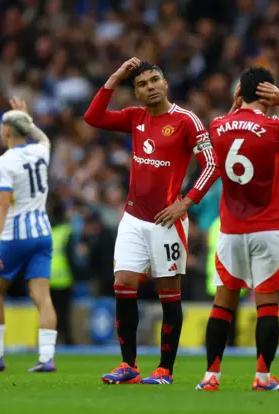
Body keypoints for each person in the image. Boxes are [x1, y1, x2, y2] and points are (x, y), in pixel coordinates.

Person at [84, 58, 220, 385]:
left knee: (168, 293)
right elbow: (93, 117)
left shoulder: (187, 121)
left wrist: (186, 203)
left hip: (166, 222)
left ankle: (165, 369)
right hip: (133, 217)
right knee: (124, 285)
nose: (151, 87)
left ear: (166, 83)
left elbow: (212, 165)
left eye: (155, 79)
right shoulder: (135, 117)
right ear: (137, 93)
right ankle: (128, 365)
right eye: (143, 84)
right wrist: (116, 75)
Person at [196, 66, 279, 392]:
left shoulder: (217, 125)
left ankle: (211, 377)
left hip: (231, 230)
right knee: (267, 306)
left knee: (222, 305)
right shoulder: (274, 125)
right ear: (269, 94)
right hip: (268, 228)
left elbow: (227, 128)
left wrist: (234, 106)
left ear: (240, 92)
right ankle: (263, 378)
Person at [0, 98, 57, 373]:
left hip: (14, 236)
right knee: (42, 297)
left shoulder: (5, 161)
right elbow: (45, 140)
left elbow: (1, 204)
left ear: (7, 131)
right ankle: (47, 359)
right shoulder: (40, 153)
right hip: (43, 233)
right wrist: (26, 119)